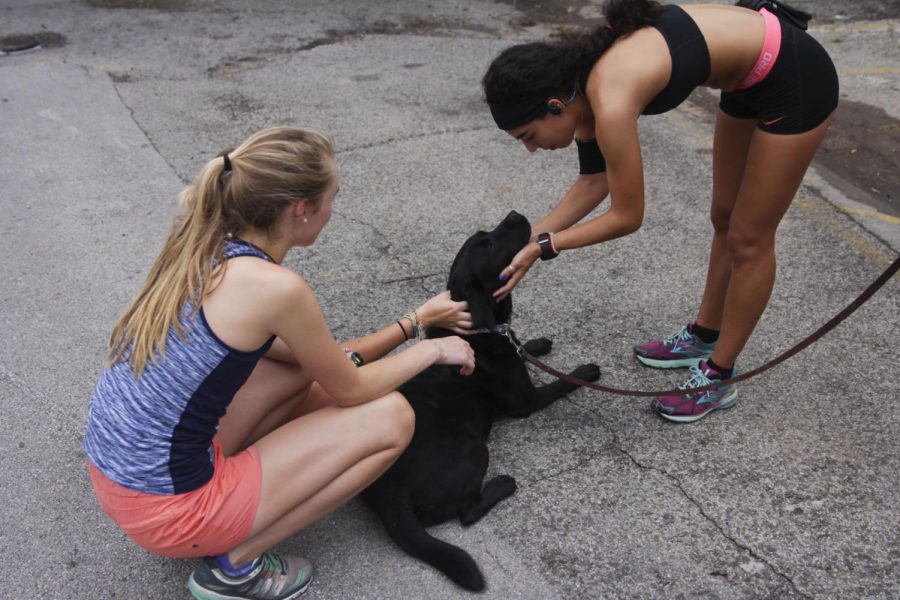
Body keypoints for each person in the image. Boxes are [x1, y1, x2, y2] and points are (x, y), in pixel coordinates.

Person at [84, 126, 476, 600]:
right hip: (173, 512)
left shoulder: (206, 249)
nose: (335, 210)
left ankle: (234, 504)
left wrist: (414, 320)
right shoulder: (277, 289)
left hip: (121, 481)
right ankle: (234, 567)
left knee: (295, 374)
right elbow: (352, 388)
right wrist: (432, 349)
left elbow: (328, 363)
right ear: (301, 209)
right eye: (333, 196)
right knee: (393, 417)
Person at [482, 0, 838, 423]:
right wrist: (527, 241)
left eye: (529, 135)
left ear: (555, 106)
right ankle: (705, 336)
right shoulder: (576, 90)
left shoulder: (610, 100)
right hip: (748, 79)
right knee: (724, 216)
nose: (531, 149)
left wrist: (546, 246)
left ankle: (717, 376)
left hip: (796, 78)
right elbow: (594, 182)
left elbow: (627, 216)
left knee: (749, 237)